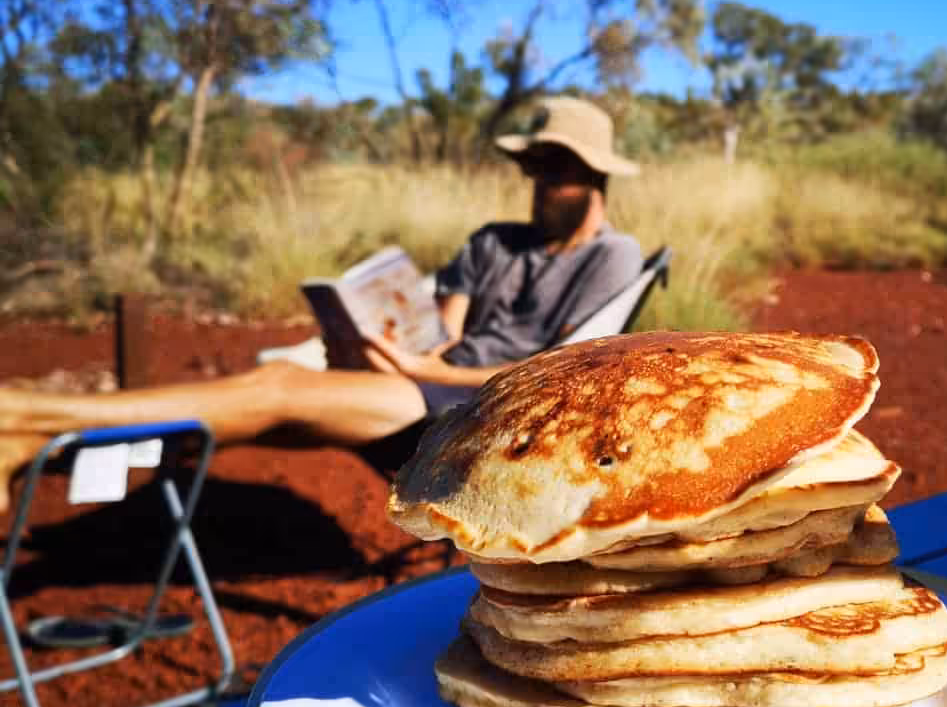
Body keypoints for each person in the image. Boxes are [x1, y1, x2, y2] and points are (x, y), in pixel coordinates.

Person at [0, 97, 643, 507]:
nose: (540, 185)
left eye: (556, 171)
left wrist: (426, 371)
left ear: (595, 177)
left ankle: (28, 415)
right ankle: (34, 437)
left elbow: (563, 370)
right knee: (274, 396)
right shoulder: (494, 241)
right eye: (534, 168)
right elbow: (442, 332)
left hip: (480, 405)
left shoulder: (611, 256)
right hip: (422, 382)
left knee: (277, 390)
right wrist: (381, 345)